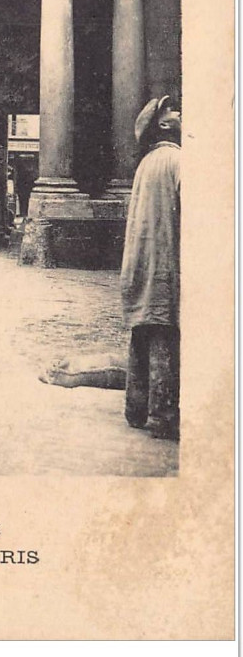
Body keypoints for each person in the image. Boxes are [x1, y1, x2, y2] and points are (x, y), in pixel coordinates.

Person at [121, 96, 181, 440]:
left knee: (140, 334)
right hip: (163, 265)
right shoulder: (178, 160)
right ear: (163, 124)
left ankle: (135, 408)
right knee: (164, 336)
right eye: (173, 110)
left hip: (139, 265)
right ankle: (163, 415)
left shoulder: (146, 164)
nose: (179, 113)